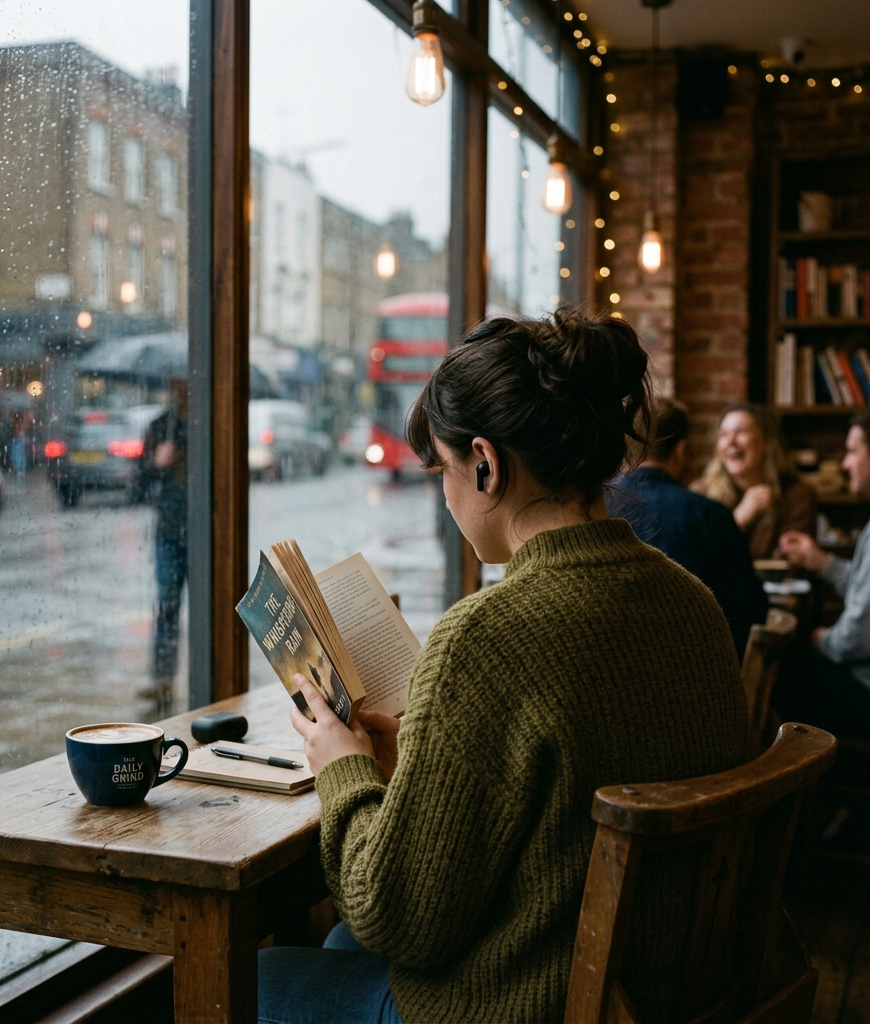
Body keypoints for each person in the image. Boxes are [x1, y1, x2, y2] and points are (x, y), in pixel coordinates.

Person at [258, 310, 747, 1023]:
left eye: (445, 472)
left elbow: (395, 919)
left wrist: (342, 765)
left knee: (263, 976)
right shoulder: (691, 601)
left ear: (485, 464)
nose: (447, 496)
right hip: (663, 988)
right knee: (334, 944)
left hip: (538, 1004)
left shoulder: (486, 638)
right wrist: (419, 760)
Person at [607, 398, 767, 660]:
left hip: (611, 669)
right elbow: (750, 610)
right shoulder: (709, 514)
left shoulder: (595, 506)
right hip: (695, 675)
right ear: (680, 450)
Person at [775, 410, 870, 742]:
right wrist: (822, 561)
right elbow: (864, 589)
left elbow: (855, 639)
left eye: (853, 450)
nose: (845, 464)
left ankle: (797, 786)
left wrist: (818, 641)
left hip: (864, 686)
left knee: (777, 674)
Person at [692, 403, 816, 559]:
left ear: (766, 443)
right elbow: (695, 559)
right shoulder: (700, 495)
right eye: (723, 434)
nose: (730, 442)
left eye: (741, 432)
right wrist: (739, 520)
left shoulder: (796, 496)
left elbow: (788, 564)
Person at [139, 378, 187, 705]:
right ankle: (162, 679)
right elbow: (141, 484)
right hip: (169, 529)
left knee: (207, 609)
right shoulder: (160, 426)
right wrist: (157, 464)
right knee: (167, 606)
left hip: (203, 531)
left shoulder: (207, 424)